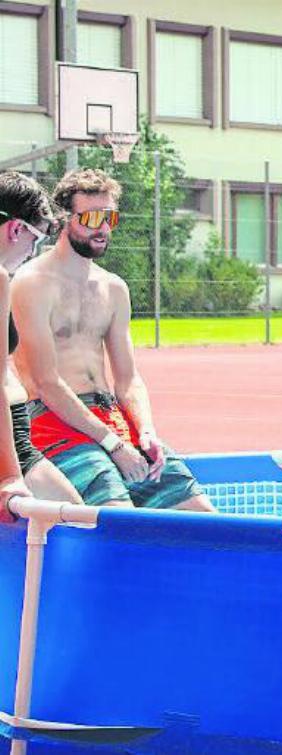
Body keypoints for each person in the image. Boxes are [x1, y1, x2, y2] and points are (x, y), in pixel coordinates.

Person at [12, 169, 213, 512]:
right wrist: (114, 446)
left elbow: (128, 379)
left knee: (200, 515)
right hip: (53, 422)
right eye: (91, 217)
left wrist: (145, 430)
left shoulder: (113, 288)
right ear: (64, 218)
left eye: (110, 218)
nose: (102, 228)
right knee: (119, 518)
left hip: (110, 418)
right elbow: (46, 383)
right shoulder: (32, 283)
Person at [0, 172, 83, 524]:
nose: (32, 253)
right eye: (34, 240)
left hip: (16, 444)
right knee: (80, 526)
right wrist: (9, 477)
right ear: (14, 229)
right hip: (11, 447)